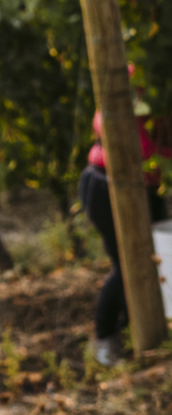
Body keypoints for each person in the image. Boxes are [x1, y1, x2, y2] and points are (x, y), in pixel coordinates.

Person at [77, 107, 169, 366]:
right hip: (110, 185)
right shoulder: (127, 82)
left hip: (145, 186)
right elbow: (136, 149)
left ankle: (137, 332)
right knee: (131, 264)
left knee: (155, 261)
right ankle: (106, 339)